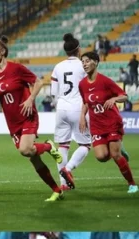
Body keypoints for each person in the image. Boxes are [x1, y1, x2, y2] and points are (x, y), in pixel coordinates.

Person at [0, 35, 64, 202]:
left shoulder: (17, 69)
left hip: (27, 116)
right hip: (13, 124)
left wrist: (30, 99)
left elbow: (38, 82)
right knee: (33, 157)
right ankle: (56, 190)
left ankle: (48, 146)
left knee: (25, 149)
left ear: (2, 51)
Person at [78, 51, 138, 193]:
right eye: (83, 62)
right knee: (101, 156)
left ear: (96, 62)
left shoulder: (105, 81)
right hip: (96, 125)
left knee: (115, 155)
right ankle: (119, 148)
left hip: (112, 122)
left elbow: (124, 96)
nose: (84, 64)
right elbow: (86, 102)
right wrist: (82, 116)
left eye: (87, 61)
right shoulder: (82, 84)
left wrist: (114, 99)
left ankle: (132, 184)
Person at [51, 33, 91, 192]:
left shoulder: (58, 67)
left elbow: (53, 93)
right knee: (85, 144)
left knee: (63, 145)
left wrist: (59, 105)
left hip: (61, 108)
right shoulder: (84, 66)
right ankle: (68, 169)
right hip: (78, 108)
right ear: (78, 49)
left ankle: (63, 183)